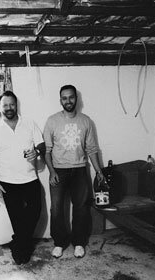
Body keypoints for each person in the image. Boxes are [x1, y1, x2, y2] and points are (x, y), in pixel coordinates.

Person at [43, 85, 105, 258]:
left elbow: (92, 149)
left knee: (81, 208)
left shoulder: (86, 121)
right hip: (59, 171)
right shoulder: (52, 121)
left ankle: (79, 242)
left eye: (71, 97)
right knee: (56, 209)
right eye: (64, 98)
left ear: (76, 98)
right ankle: (59, 242)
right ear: (60, 100)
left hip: (79, 170)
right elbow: (47, 150)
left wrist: (99, 171)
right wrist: (52, 172)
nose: (68, 101)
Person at [0, 90, 46, 264]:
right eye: (5, 105)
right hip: (8, 182)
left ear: (16, 105)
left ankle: (18, 242)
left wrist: (36, 152)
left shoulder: (29, 123)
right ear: (0, 107)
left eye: (12, 104)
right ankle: (21, 249)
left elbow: (42, 145)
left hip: (30, 179)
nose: (9, 108)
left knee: (35, 213)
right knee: (17, 218)